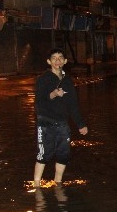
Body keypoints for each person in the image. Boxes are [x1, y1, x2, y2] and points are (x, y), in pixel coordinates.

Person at [33, 48, 88, 188]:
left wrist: (80, 124)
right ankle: (37, 185)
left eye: (60, 58)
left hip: (62, 123)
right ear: (49, 61)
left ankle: (58, 183)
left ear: (64, 61)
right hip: (45, 123)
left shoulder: (68, 81)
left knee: (64, 154)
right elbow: (39, 101)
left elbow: (73, 105)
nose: (57, 60)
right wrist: (53, 94)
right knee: (43, 154)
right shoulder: (43, 80)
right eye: (54, 58)